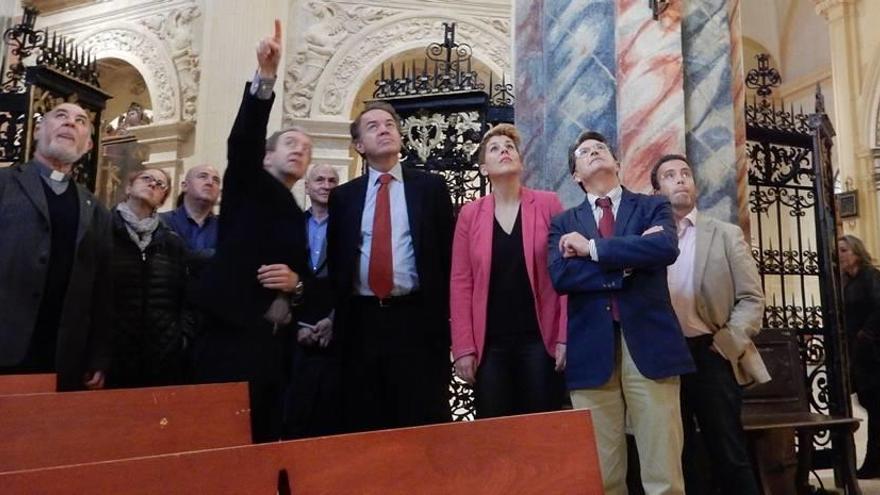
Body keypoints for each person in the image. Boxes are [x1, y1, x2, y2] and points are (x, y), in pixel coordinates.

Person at [548, 131, 693, 495]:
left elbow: (661, 248)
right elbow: (562, 276)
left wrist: (592, 249)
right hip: (591, 351)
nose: (594, 152)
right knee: (603, 473)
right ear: (576, 175)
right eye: (584, 152)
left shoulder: (651, 207)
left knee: (664, 473)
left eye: (601, 149)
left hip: (651, 345)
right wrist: (626, 263)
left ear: (617, 163)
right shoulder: (563, 223)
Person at [191, 20, 311, 443]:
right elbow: (242, 141)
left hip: (272, 347)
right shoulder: (247, 181)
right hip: (229, 337)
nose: (300, 150)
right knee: (220, 442)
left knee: (263, 440)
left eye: (306, 149)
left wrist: (294, 287)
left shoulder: (298, 210)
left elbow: (302, 275)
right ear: (267, 156)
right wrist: (264, 79)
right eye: (290, 144)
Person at [327, 101, 455, 432]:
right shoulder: (344, 198)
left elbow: (447, 255)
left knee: (421, 415)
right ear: (358, 146)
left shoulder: (431, 188)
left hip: (417, 318)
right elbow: (338, 261)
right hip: (361, 321)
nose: (384, 129)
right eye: (373, 126)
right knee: (365, 416)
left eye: (389, 124)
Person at [652, 154, 768, 495]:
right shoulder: (650, 238)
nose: (680, 179)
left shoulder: (725, 235)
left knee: (728, 451)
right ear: (657, 189)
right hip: (666, 358)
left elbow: (751, 298)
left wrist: (728, 342)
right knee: (679, 455)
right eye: (670, 175)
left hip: (711, 352)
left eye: (686, 173)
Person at [450, 124, 566, 418]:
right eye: (495, 148)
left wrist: (565, 335)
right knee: (496, 434)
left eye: (509, 147)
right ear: (483, 168)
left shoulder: (548, 203)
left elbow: (564, 272)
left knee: (541, 428)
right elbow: (461, 281)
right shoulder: (470, 214)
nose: (504, 150)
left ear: (520, 161)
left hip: (540, 339)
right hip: (489, 345)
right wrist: (463, 347)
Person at [0, 102, 112, 391]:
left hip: (62, 356)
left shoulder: (96, 209)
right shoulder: (5, 184)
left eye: (81, 121)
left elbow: (101, 288)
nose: (70, 123)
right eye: (60, 116)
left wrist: (97, 355)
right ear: (38, 130)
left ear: (88, 145)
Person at [108, 168, 194, 388]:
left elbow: (186, 296)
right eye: (147, 178)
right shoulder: (103, 229)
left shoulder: (173, 242)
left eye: (161, 184)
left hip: (162, 353)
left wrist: (180, 337)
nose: (154, 184)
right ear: (128, 187)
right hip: (113, 350)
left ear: (163, 199)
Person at [284, 163, 343, 438]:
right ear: (307, 187)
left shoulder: (348, 227)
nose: (326, 185)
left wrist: (334, 320)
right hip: (294, 329)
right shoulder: (291, 225)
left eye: (332, 180)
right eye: (319, 179)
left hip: (335, 330)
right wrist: (296, 326)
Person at [838, 234, 880, 478]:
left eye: (843, 250)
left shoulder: (870, 277)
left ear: (856, 252)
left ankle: (873, 463)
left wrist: (865, 334)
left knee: (875, 408)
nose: (839, 255)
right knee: (871, 406)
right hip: (857, 355)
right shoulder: (845, 281)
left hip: (873, 354)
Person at [160, 164, 221, 263]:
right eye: (203, 176)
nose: (210, 182)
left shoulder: (227, 226)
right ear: (185, 186)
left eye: (216, 180)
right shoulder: (162, 222)